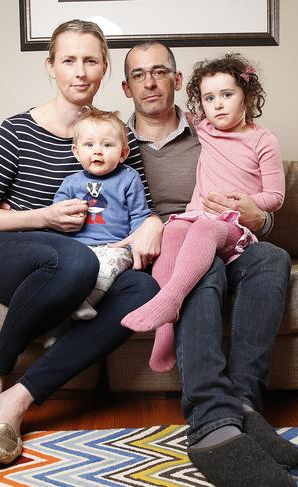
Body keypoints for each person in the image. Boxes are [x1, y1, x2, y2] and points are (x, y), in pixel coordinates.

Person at [0, 20, 161, 464]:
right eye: (68, 60)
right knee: (76, 263)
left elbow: (141, 206)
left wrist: (155, 224)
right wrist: (42, 217)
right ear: (51, 67)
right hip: (9, 255)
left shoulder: (114, 136)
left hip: (85, 259)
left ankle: (19, 400)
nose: (80, 71)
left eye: (90, 60)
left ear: (105, 69)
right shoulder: (17, 131)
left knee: (144, 289)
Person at [121, 41, 298, 487]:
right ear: (126, 88)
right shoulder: (115, 139)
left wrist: (260, 215)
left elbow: (262, 197)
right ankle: (211, 422)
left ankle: (243, 406)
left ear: (178, 82)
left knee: (272, 257)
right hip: (174, 241)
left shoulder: (204, 128)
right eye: (139, 74)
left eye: (160, 71)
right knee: (205, 266)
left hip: (228, 233)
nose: (150, 82)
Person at [122, 53, 285, 374]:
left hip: (231, 226)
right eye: (210, 98)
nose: (219, 105)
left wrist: (250, 207)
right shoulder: (119, 141)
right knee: (175, 233)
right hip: (191, 222)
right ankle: (165, 330)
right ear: (127, 87)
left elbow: (275, 196)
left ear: (247, 96)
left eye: (227, 95)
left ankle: (171, 299)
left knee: (217, 236)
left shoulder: (258, 139)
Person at [53, 106, 151, 323]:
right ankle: (59, 323)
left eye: (107, 145)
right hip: (78, 248)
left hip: (115, 246)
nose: (97, 151)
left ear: (123, 153)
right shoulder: (71, 183)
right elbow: (57, 215)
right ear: (77, 151)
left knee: (105, 271)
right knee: (67, 272)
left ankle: (83, 303)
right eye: (89, 145)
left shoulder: (129, 178)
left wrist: (136, 250)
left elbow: (139, 216)